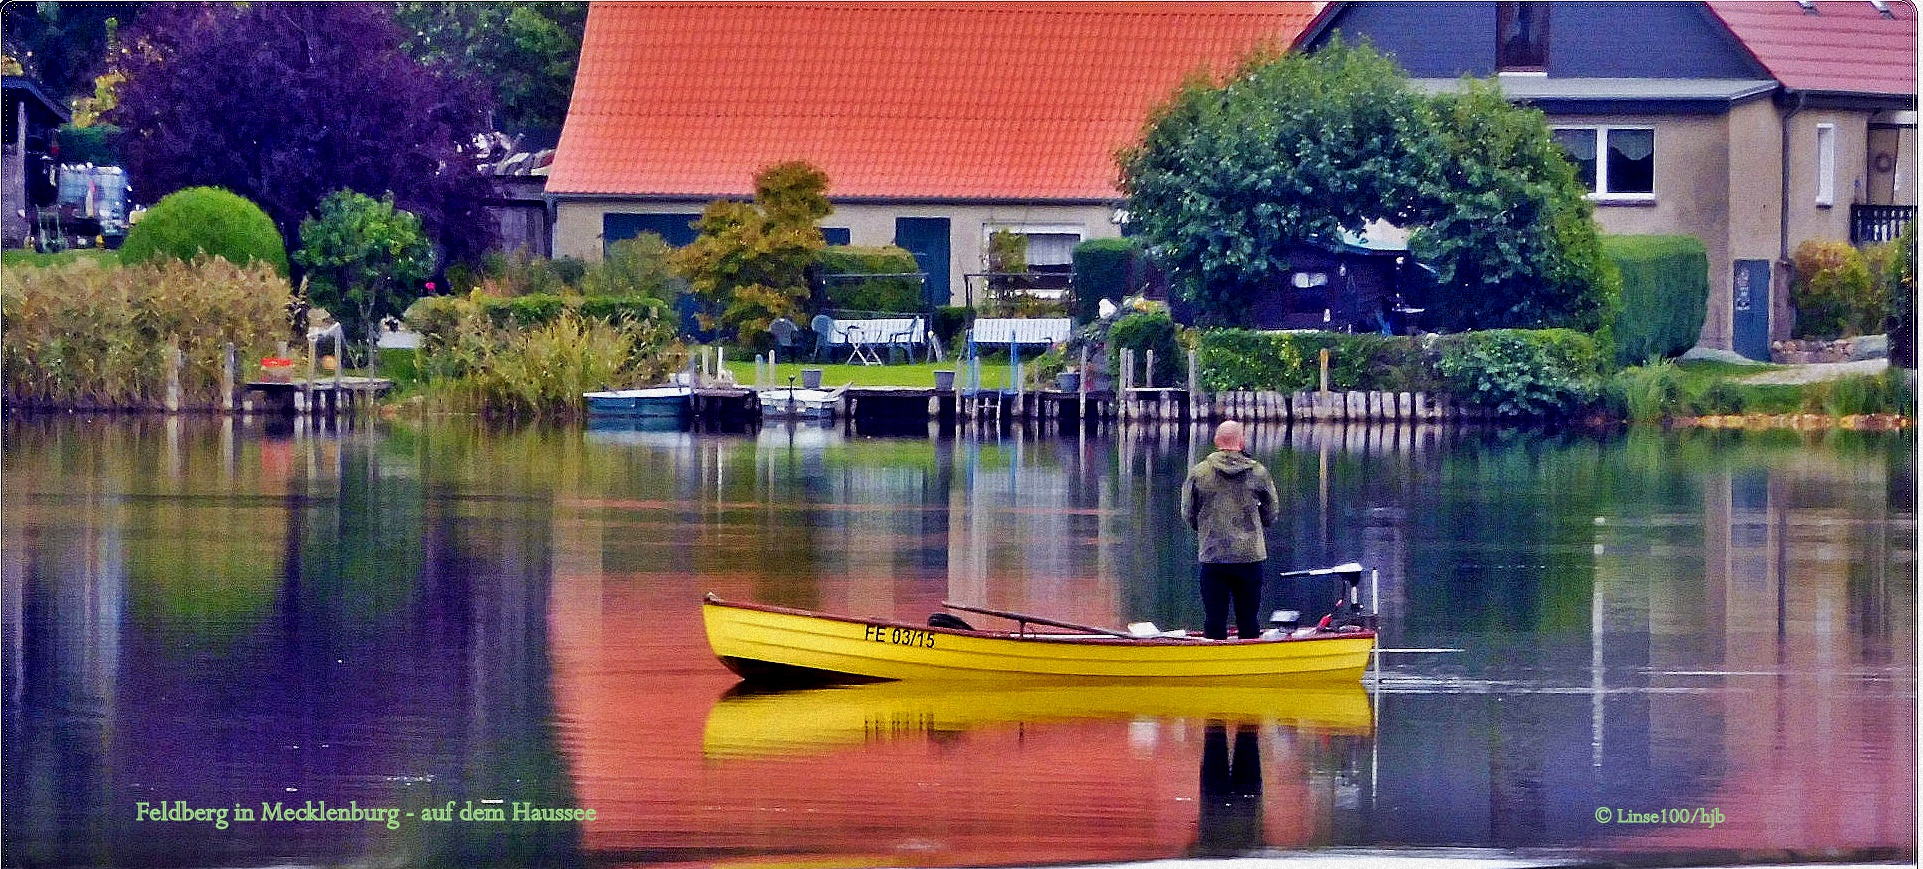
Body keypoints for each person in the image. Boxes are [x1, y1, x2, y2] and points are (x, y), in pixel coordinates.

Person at [1180, 420, 1279, 640]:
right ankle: (1249, 666)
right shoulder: (1259, 473)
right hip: (1250, 557)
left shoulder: (1199, 473)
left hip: (1213, 557)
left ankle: (1215, 667)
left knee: (1214, 620)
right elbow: (1272, 513)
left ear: (1216, 442)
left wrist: (1204, 530)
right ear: (1242, 442)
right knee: (1249, 619)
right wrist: (1257, 525)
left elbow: (1187, 513)